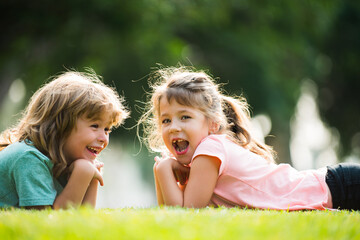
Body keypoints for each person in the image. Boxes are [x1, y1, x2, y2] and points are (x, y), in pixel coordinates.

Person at [139, 65, 360, 211]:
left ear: (213, 124)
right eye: (166, 120)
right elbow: (168, 214)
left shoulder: (211, 148)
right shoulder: (204, 156)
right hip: (336, 186)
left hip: (339, 188)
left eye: (185, 117)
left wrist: (162, 170)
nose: (173, 127)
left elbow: (184, 214)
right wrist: (165, 172)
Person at [0, 70, 129, 209]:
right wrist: (82, 173)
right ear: (60, 125)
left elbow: (84, 221)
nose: (104, 138)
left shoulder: (64, 161)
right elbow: (48, 224)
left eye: (107, 129)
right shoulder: (28, 158)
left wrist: (91, 180)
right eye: (95, 126)